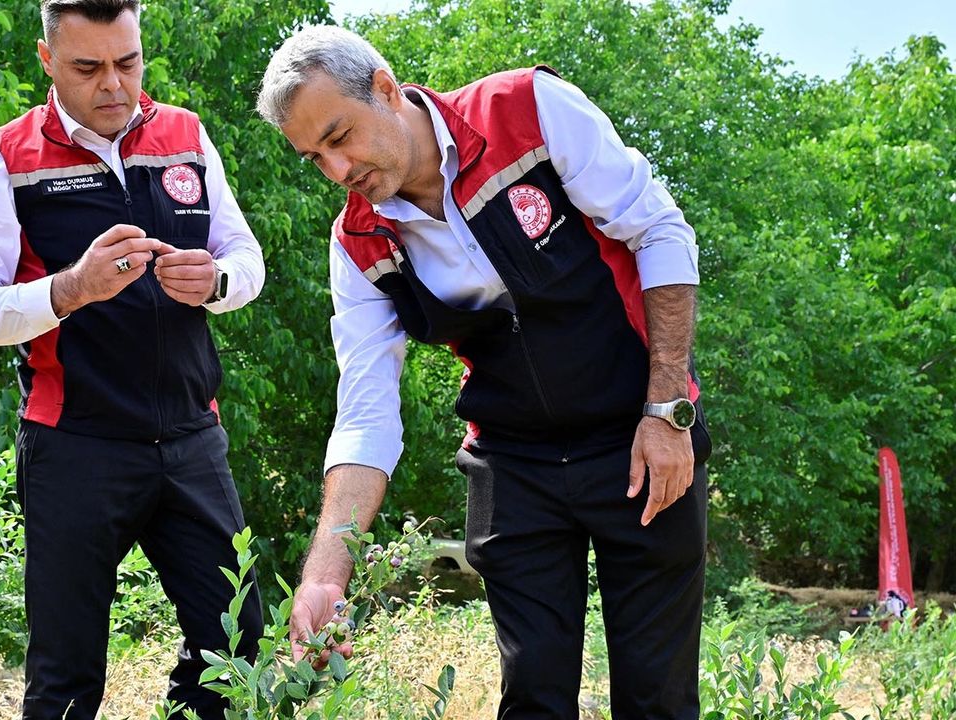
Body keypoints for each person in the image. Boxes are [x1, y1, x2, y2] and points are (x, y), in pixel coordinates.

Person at [257, 26, 711, 720]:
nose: (337, 169)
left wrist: (667, 410)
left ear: (384, 88)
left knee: (657, 698)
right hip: (513, 461)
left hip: (639, 435)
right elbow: (367, 411)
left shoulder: (527, 110)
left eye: (340, 136)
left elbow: (660, 230)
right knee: (532, 698)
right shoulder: (358, 243)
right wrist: (326, 573)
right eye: (314, 157)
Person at [0, 2, 264, 718]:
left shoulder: (185, 134)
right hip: (75, 443)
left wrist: (216, 282)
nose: (114, 85)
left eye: (128, 62)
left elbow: (247, 258)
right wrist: (71, 289)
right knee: (67, 678)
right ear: (47, 59)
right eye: (88, 67)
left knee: (241, 652)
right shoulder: (2, 158)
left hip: (191, 435)